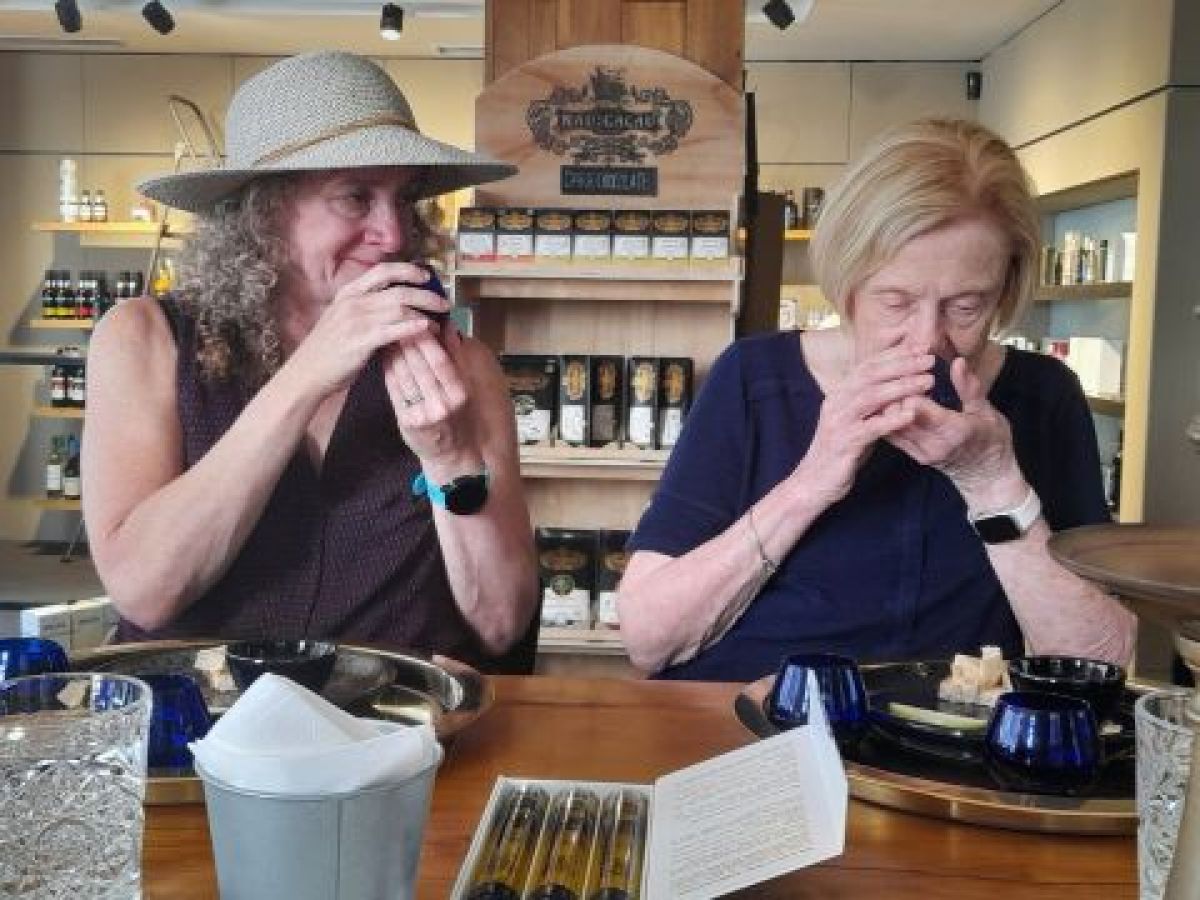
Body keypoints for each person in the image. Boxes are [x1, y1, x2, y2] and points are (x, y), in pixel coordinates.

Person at [617, 117, 1136, 681]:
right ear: (847, 285)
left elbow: (1100, 663)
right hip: (749, 728)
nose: (926, 340)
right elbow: (648, 640)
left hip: (950, 746)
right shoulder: (753, 379)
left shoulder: (1042, 395)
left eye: (965, 307)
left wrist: (994, 484)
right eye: (895, 301)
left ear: (1005, 292)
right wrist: (813, 480)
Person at [82, 51, 538, 669]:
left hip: (395, 732)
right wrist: (303, 380)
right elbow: (145, 592)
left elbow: (503, 623)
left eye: (402, 201)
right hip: (200, 736)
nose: (395, 234)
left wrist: (451, 456)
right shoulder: (144, 340)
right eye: (354, 197)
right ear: (263, 214)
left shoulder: (463, 366)